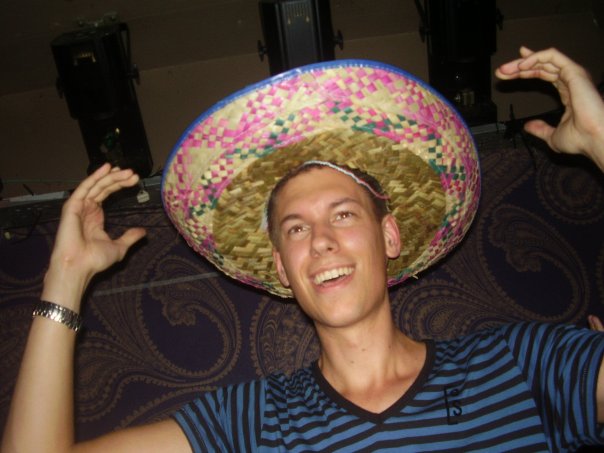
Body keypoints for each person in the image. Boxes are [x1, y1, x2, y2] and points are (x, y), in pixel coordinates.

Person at [2, 47, 604, 452]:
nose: (320, 240)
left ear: (389, 237)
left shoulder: (520, 363)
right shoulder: (250, 421)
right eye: (295, 229)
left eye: (343, 214)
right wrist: (66, 277)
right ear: (283, 269)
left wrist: (602, 140)